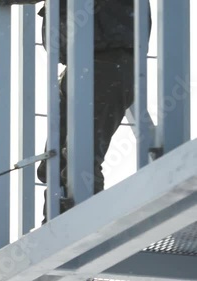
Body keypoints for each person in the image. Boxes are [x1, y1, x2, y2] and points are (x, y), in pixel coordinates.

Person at [34, 0, 152, 222]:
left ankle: (82, 223)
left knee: (81, 159)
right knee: (55, 162)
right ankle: (57, 224)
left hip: (107, 63)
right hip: (84, 65)